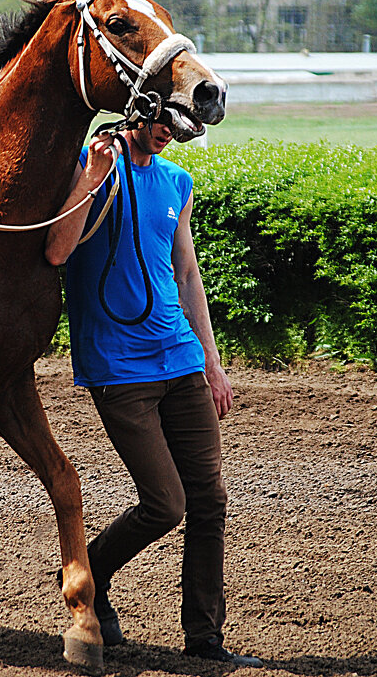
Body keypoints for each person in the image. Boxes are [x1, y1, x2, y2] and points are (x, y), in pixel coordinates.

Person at [44, 121, 261, 667]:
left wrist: (211, 361)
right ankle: (90, 567)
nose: (170, 132)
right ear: (132, 114)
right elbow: (56, 252)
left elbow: (187, 273)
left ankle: (205, 639)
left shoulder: (177, 183)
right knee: (167, 504)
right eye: (161, 120)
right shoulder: (86, 168)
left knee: (209, 502)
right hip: (119, 369)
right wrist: (92, 175)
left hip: (182, 359)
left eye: (178, 126)